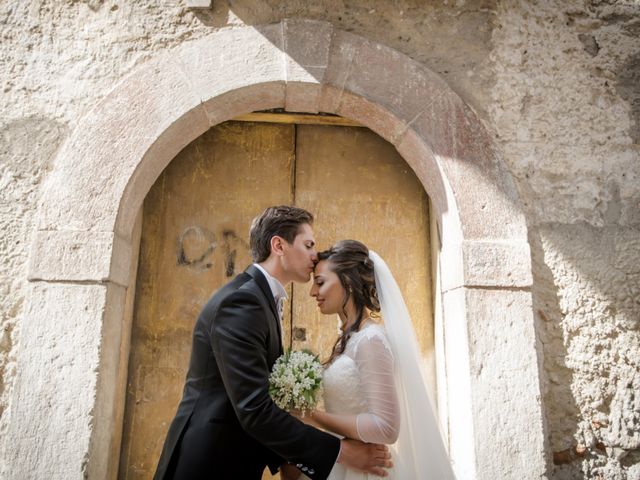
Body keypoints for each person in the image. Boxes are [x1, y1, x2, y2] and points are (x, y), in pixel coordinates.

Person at [153, 207, 392, 480]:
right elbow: (254, 408)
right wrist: (341, 452)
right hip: (211, 464)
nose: (315, 256)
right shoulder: (242, 302)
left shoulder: (261, 298)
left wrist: (291, 461)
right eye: (308, 244)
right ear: (278, 245)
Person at [288, 240, 456, 479]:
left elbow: (386, 427)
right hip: (343, 463)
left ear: (347, 282)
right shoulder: (349, 338)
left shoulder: (370, 341)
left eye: (320, 283)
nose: (313, 292)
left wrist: (312, 416)